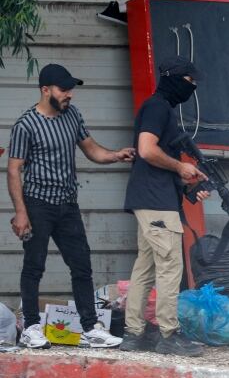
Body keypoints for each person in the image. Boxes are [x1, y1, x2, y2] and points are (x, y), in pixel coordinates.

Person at [8, 64, 133, 349]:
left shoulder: (72, 115)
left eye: (70, 89)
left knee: (82, 265)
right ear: (45, 90)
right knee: (34, 267)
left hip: (68, 204)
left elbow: (91, 149)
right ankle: (30, 327)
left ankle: (90, 328)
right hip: (38, 204)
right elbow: (14, 170)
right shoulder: (26, 124)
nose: (69, 95)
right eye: (63, 89)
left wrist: (116, 155)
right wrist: (21, 211)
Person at [121, 58, 210, 357]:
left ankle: (134, 335)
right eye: (189, 81)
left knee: (145, 268)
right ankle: (168, 335)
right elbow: (147, 150)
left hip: (152, 198)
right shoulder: (158, 107)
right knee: (170, 266)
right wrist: (180, 166)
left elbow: (158, 161)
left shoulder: (159, 108)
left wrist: (188, 180)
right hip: (156, 202)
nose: (193, 87)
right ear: (174, 79)